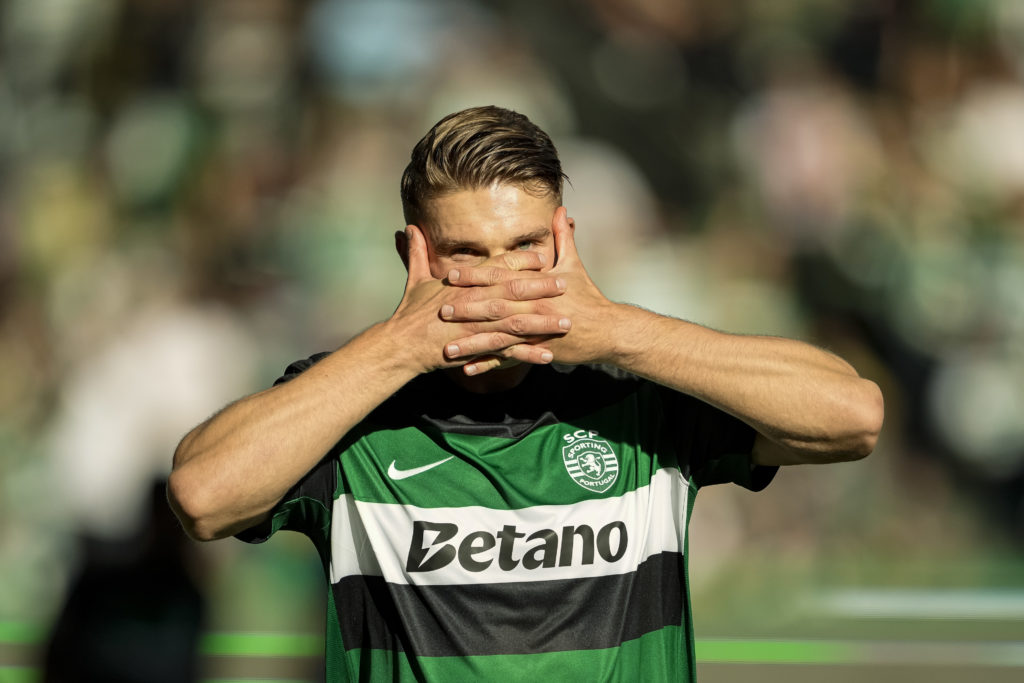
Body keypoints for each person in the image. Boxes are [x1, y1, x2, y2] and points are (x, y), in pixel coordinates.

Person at [168, 105, 883, 682]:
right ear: (413, 256)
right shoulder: (354, 414)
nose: (503, 281)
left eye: (524, 246)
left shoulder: (638, 396)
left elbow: (853, 417)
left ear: (564, 239)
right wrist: (398, 344)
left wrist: (618, 331)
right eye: (467, 255)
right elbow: (202, 494)